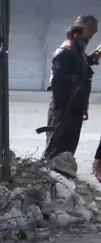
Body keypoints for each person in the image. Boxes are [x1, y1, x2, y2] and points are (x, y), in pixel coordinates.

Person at [42, 16, 95, 165]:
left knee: (69, 145)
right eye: (87, 36)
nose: (88, 40)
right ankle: (51, 174)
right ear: (77, 35)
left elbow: (80, 72)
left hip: (75, 107)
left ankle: (63, 174)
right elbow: (58, 81)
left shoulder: (78, 53)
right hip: (64, 107)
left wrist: (83, 107)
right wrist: (59, 108)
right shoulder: (65, 52)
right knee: (56, 144)